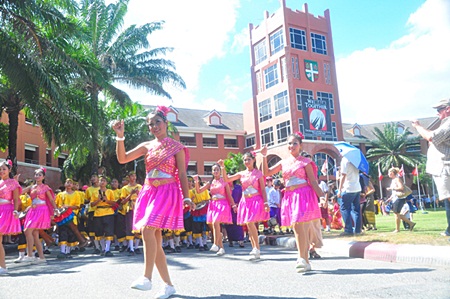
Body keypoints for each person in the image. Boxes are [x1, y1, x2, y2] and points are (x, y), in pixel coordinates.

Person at [112, 105, 194, 299]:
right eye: (150, 124)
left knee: (147, 229)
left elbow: (182, 173)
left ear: (166, 123)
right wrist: (119, 136)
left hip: (167, 191)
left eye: (157, 122)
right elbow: (122, 158)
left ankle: (146, 277)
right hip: (149, 191)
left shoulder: (176, 147)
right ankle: (168, 285)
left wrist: (187, 195)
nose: (154, 126)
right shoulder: (146, 146)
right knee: (153, 240)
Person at [261, 132, 325, 272]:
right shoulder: (283, 162)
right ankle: (304, 259)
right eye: (289, 143)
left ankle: (302, 258)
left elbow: (313, 182)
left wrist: (322, 196)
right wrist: (265, 156)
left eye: (295, 143)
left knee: (299, 225)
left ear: (300, 145)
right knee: (296, 227)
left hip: (303, 195)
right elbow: (267, 173)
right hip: (290, 195)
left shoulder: (305, 162)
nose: (291, 146)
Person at [219, 152, 270, 261]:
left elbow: (263, 189)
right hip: (245, 201)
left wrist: (266, 203)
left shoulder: (258, 173)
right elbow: (227, 179)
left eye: (248, 159)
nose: (247, 162)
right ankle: (255, 248)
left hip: (256, 200)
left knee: (251, 223)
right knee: (249, 225)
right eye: (245, 160)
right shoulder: (241, 173)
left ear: (253, 160)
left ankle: (256, 248)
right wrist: (223, 167)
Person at [412, 98, 450, 239]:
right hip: (443, 167)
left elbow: (431, 137)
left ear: (448, 109)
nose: (437, 113)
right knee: (447, 199)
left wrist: (417, 126)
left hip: (446, 167)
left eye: (439, 110)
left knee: (449, 198)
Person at [194, 163, 236, 256]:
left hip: (222, 203)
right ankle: (221, 248)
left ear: (220, 171)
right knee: (214, 227)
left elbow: (229, 195)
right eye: (214, 170)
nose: (215, 171)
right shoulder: (211, 182)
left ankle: (215, 243)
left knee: (215, 223)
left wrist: (233, 205)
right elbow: (199, 191)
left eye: (217, 169)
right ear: (212, 172)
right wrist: (196, 181)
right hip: (213, 204)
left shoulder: (224, 181)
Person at [23, 167, 57, 263]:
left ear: (43, 177)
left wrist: (56, 209)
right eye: (36, 174)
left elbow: (51, 200)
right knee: (35, 233)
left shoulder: (45, 187)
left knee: (27, 230)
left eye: (39, 175)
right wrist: (15, 182)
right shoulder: (31, 187)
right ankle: (42, 257)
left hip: (41, 210)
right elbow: (19, 192)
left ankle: (30, 255)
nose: (37, 176)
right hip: (33, 210)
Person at [0, 160, 22, 274]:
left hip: (6, 210)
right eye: (0, 169)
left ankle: (3, 266)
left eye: (4, 169)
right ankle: (2, 266)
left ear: (9, 170)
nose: (1, 171)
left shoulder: (12, 183)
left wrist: (15, 210)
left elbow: (16, 199)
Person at [337, 154, 362, 236]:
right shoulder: (356, 159)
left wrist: (339, 189)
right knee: (356, 210)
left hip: (348, 188)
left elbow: (343, 175)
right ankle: (358, 230)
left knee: (344, 208)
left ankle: (348, 229)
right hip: (357, 187)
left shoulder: (345, 160)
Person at [385, 167, 416, 233]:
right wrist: (390, 198)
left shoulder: (397, 179)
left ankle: (397, 229)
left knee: (396, 214)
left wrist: (391, 188)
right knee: (397, 214)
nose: (388, 174)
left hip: (399, 198)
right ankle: (411, 223)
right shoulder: (393, 180)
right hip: (395, 198)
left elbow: (401, 188)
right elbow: (394, 192)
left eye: (389, 173)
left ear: (392, 173)